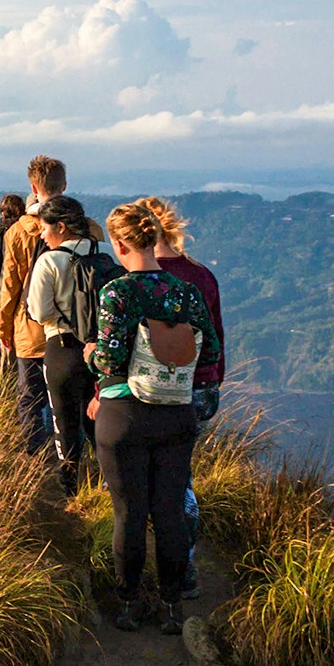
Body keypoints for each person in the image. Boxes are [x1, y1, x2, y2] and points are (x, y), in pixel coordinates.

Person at [84, 199, 220, 635]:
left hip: (124, 416)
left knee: (128, 513)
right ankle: (172, 607)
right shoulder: (185, 291)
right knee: (169, 513)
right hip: (176, 413)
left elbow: (109, 361)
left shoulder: (117, 293)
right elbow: (211, 349)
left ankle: (129, 605)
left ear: (121, 245)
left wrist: (90, 354)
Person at [145, 195, 226, 601]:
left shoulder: (146, 279)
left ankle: (179, 566)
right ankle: (183, 561)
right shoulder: (202, 276)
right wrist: (213, 383)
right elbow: (217, 337)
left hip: (162, 389)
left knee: (170, 480)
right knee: (181, 472)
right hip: (202, 389)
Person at [0, 155, 102, 460]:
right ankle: (84, 461)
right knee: (79, 397)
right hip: (79, 330)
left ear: (33, 186)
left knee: (31, 396)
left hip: (30, 329)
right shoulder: (91, 229)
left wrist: (4, 328)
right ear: (64, 185)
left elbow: (9, 286)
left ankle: (37, 458)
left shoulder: (18, 231)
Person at [24, 195, 111, 496]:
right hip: (103, 350)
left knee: (64, 420)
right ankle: (109, 483)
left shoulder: (49, 261)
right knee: (99, 418)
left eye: (45, 228)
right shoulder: (107, 253)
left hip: (62, 346)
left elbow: (39, 312)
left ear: (61, 227)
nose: (42, 235)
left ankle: (70, 489)